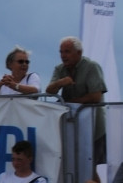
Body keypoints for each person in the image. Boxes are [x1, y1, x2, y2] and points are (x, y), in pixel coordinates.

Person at [46, 36, 107, 164]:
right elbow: (49, 91)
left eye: (67, 51)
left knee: (90, 166)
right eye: (61, 52)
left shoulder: (92, 67)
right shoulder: (59, 69)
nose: (63, 55)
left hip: (94, 127)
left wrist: (72, 102)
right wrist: (60, 82)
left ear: (79, 53)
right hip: (71, 127)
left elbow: (96, 96)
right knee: (74, 165)